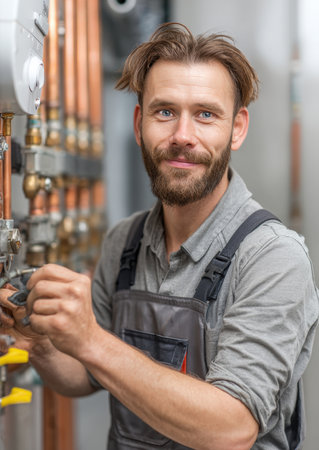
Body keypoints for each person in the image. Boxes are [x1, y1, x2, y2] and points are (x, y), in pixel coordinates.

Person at [0, 22, 318, 450]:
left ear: (237, 129)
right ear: (139, 123)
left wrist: (92, 341)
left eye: (205, 114)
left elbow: (232, 427)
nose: (182, 136)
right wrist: (40, 343)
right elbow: (86, 375)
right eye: (165, 112)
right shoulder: (124, 243)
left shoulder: (273, 258)